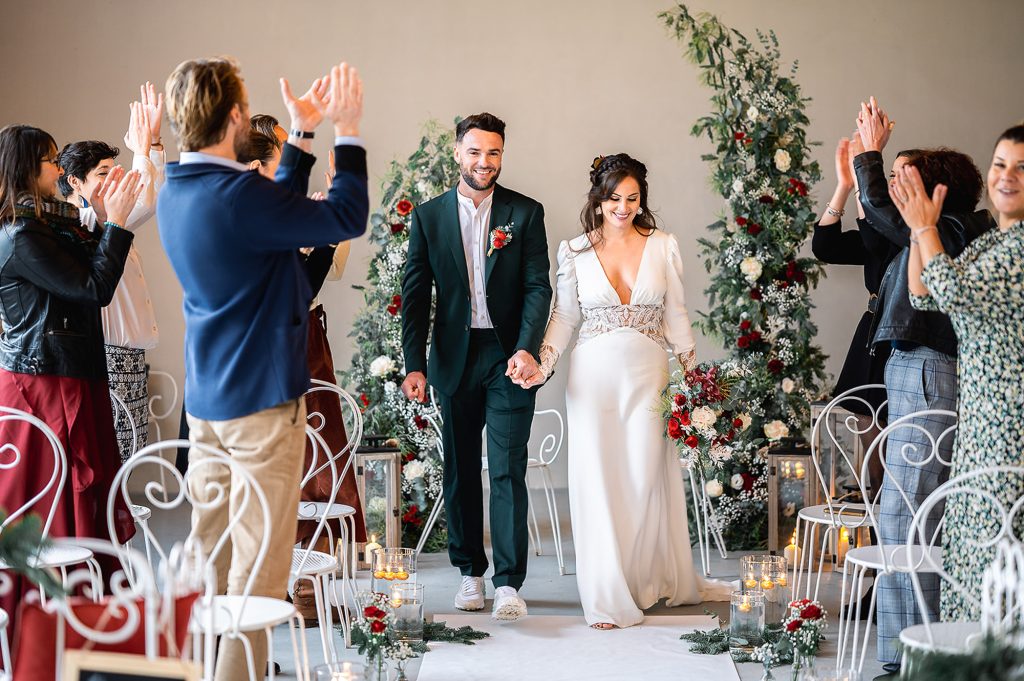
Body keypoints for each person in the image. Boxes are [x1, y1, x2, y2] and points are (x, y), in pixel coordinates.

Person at [158, 57, 368, 681]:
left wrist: (301, 136)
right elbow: (345, 217)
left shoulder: (178, 190)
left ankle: (202, 670)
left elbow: (272, 210)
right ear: (234, 118)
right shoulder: (241, 197)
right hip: (261, 409)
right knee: (259, 572)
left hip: (208, 405)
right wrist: (348, 130)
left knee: (213, 556)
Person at [517, 153, 730, 628]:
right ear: (598, 197)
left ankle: (638, 582)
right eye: (615, 198)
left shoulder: (663, 246)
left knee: (640, 477)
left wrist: (695, 379)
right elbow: (565, 318)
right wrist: (542, 363)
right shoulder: (573, 252)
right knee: (597, 482)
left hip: (649, 377)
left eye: (632, 199)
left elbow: (677, 316)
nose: (623, 207)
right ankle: (606, 596)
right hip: (592, 378)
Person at [853, 97, 996, 675]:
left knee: (908, 514)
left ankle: (906, 658)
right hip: (917, 368)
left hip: (928, 368)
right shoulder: (937, 236)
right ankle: (909, 651)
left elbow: (882, 211)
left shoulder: (951, 232)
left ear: (938, 193)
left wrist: (869, 157)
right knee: (908, 513)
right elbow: (878, 219)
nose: (895, 190)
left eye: (907, 181)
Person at [400, 113, 552, 621]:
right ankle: (469, 574)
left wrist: (529, 348)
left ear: (501, 155)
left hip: (509, 357)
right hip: (454, 360)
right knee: (461, 470)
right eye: (475, 152)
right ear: (457, 153)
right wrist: (414, 365)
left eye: (494, 153)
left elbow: (537, 287)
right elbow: (415, 297)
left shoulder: (525, 213)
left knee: (507, 468)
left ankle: (508, 583)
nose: (484, 162)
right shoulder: (429, 217)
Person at [0, 124, 143, 623]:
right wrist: (117, 224)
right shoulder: (20, 236)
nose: (59, 170)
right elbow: (93, 288)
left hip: (73, 373)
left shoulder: (46, 224)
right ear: (23, 168)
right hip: (44, 384)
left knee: (81, 495)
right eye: (49, 162)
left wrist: (111, 219)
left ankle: (85, 614)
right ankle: (43, 618)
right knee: (51, 497)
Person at [892, 124, 1024, 623]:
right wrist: (914, 228)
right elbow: (925, 292)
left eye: (1021, 167)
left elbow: (955, 294)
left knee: (999, 547)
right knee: (970, 544)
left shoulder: (1021, 248)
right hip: (981, 418)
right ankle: (968, 657)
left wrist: (928, 229)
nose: (1006, 176)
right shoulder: (995, 241)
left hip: (1010, 421)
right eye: (999, 164)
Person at [57, 84, 166, 462]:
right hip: (107, 355)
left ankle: (117, 522)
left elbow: (147, 198)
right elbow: (143, 199)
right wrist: (142, 149)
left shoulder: (106, 220)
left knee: (131, 455)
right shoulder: (80, 223)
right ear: (75, 182)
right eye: (103, 173)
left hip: (129, 354)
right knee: (115, 460)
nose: (114, 180)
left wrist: (151, 145)